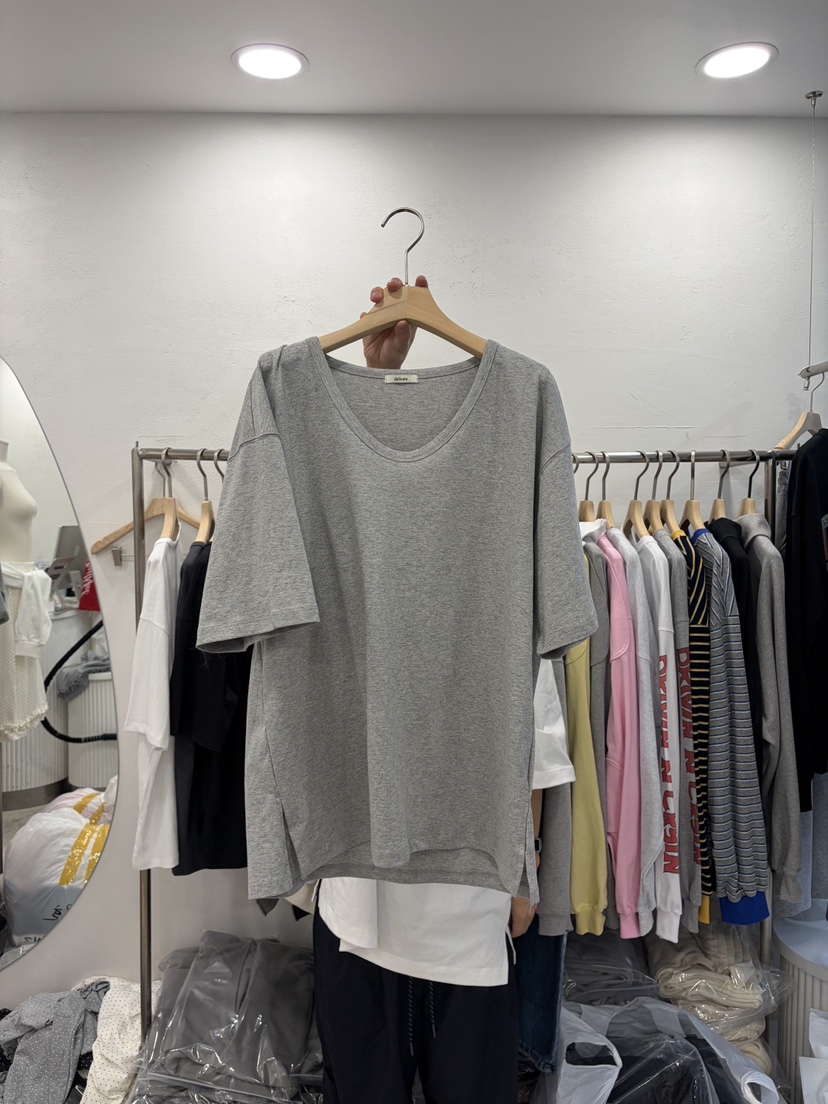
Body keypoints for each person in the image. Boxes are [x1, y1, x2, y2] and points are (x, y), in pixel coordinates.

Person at [312, 277, 549, 1104]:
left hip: (468, 905)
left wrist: (524, 873)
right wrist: (379, 379)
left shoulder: (508, 479)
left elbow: (534, 723)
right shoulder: (336, 496)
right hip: (356, 900)